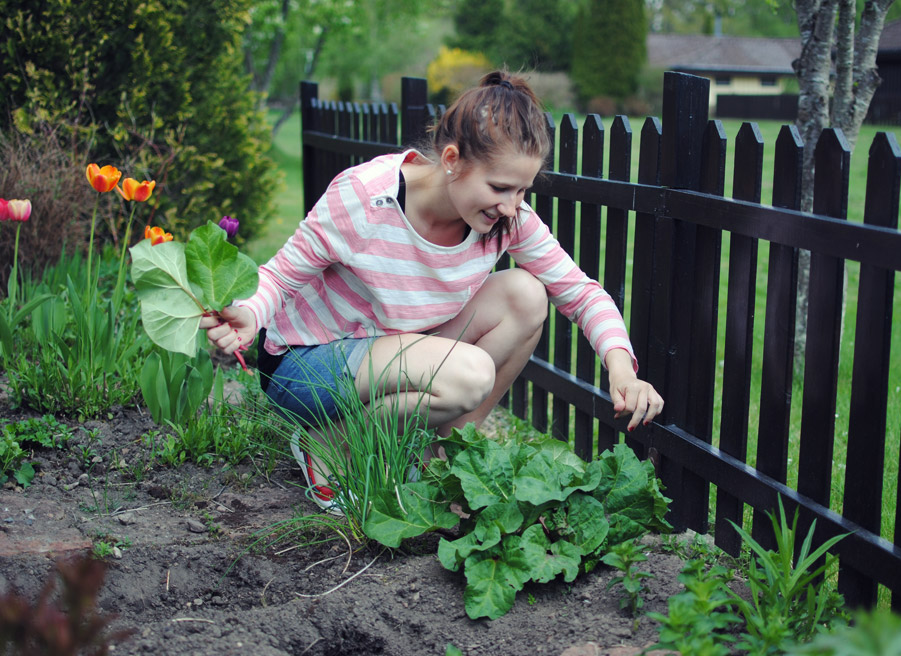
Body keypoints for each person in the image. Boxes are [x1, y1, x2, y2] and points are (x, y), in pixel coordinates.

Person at [201, 70, 664, 510]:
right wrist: (249, 313)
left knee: (525, 294)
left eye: (523, 191)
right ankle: (327, 446)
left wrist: (622, 371)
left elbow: (581, 293)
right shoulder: (365, 197)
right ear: (451, 161)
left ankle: (439, 464)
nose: (512, 206)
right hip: (308, 366)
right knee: (469, 374)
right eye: (500, 187)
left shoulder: (507, 221)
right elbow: (280, 275)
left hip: (396, 352)